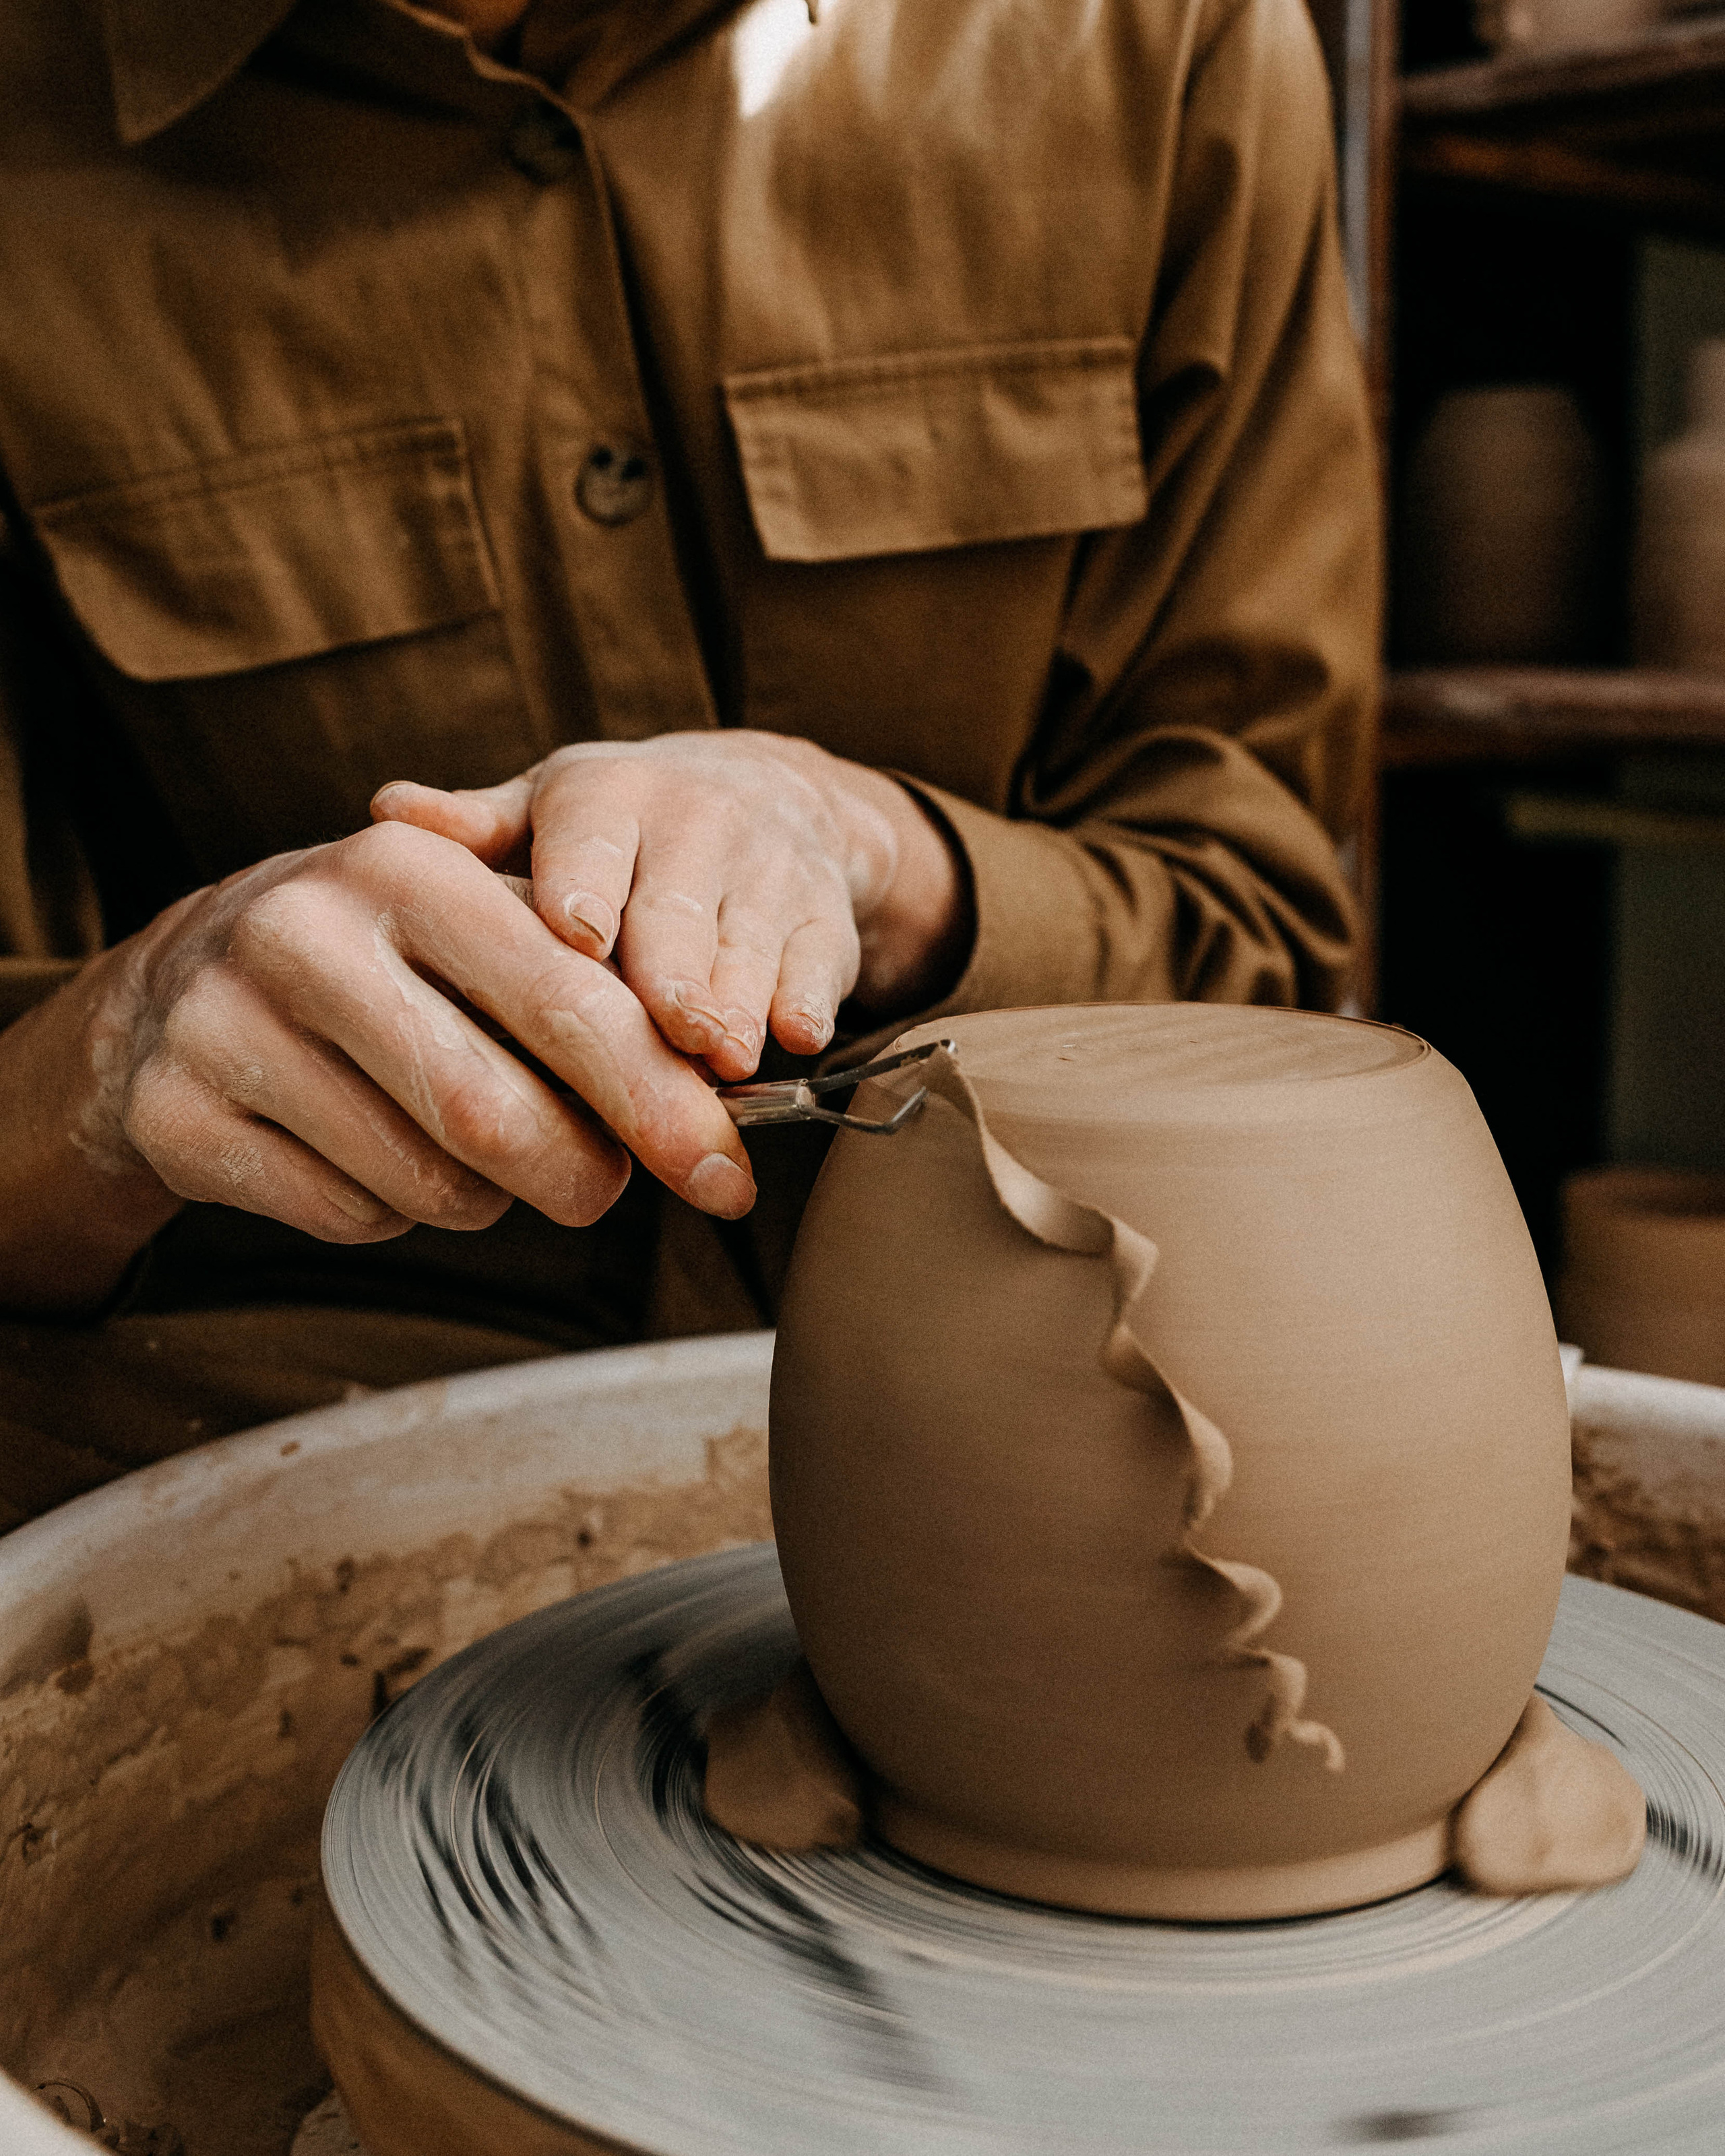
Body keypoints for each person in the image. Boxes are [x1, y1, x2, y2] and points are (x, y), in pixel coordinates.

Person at [0, 0, 1377, 1529]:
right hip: (288, 1428)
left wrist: (883, 858)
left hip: (1054, 1379)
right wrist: (115, 1047)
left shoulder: (1158, 36)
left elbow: (1262, 954)